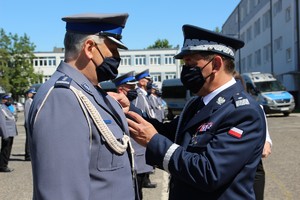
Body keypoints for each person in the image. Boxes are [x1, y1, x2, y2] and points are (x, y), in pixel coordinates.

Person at [125, 25, 267, 199]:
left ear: (215, 64)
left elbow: (210, 173)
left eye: (191, 63)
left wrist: (154, 142)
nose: (185, 71)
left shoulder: (243, 112)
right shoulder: (197, 103)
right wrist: (128, 110)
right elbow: (169, 133)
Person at [28, 13, 136, 200]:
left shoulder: (94, 94)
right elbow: (62, 194)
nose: (117, 57)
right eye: (112, 49)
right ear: (89, 48)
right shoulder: (62, 98)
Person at [113, 71, 154, 199]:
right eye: (131, 87)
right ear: (121, 89)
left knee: (138, 190)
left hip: (139, 151)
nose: (134, 90)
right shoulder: (114, 103)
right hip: (129, 153)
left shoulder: (135, 100)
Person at [233, 70, 273, 200]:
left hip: (253, 170)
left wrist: (266, 142)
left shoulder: (255, 108)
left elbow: (265, 144)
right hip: (229, 169)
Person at [132, 69, 157, 189]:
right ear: (141, 82)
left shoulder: (144, 95)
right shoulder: (138, 96)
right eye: (148, 80)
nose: (150, 82)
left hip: (146, 136)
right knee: (138, 180)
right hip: (140, 139)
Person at [0, 95, 18, 172]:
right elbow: (2, 123)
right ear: (3, 100)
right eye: (7, 100)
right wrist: (5, 135)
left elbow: (14, 118)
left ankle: (4, 164)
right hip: (6, 133)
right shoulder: (2, 109)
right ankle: (3, 166)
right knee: (5, 150)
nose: (9, 101)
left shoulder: (9, 108)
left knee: (8, 150)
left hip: (11, 132)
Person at [24, 88, 36, 161]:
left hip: (29, 123)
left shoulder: (31, 101)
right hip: (28, 123)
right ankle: (28, 155)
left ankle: (29, 154)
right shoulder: (29, 102)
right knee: (28, 139)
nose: (33, 95)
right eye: (32, 93)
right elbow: (28, 114)